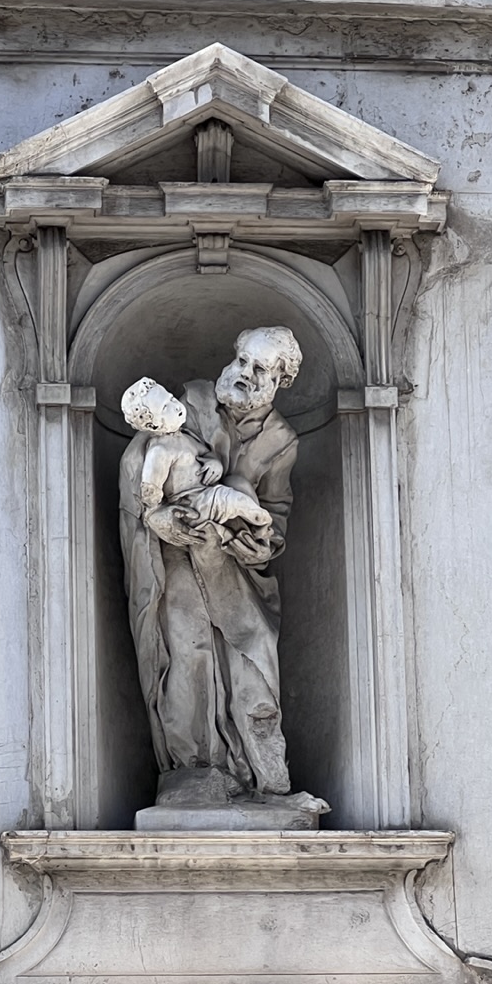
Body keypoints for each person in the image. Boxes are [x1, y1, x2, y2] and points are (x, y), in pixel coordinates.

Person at [119, 326, 303, 801]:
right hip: (179, 556)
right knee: (187, 653)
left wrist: (263, 547)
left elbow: (277, 510)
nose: (244, 374)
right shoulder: (193, 402)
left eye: (260, 369)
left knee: (253, 666)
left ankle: (261, 780)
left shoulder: (281, 440)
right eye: (242, 360)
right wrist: (156, 517)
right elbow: (143, 461)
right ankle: (197, 772)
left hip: (234, 570)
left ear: (280, 381)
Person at [120, 375, 275, 540]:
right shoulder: (159, 451)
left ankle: (258, 528)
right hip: (193, 504)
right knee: (236, 502)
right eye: (165, 407)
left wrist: (215, 463)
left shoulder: (184, 437)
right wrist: (154, 512)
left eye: (171, 398)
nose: (175, 407)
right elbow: (150, 490)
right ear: (153, 425)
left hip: (207, 493)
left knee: (240, 489)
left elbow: (205, 453)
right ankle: (263, 523)